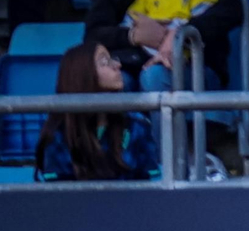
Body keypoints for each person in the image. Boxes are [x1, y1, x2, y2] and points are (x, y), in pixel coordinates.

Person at [85, 0, 242, 91]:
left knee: (154, 77)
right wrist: (133, 36)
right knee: (112, 83)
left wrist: (181, 33)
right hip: (132, 65)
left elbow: (233, 7)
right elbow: (94, 34)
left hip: (195, 66)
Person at [34, 43, 163, 183]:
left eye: (112, 59)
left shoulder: (137, 125)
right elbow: (57, 196)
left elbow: (149, 189)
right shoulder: (58, 134)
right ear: (82, 74)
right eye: (104, 62)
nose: (117, 65)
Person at [119, 0, 218, 93]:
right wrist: (137, 29)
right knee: (121, 79)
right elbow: (132, 16)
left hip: (189, 61)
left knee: (153, 76)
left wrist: (171, 30)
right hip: (146, 53)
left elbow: (199, 23)